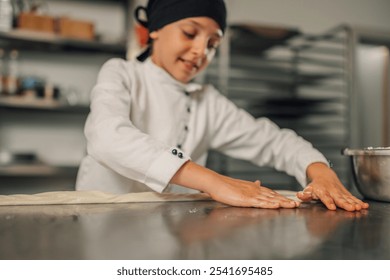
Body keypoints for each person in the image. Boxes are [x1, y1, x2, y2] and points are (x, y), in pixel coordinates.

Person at [75, 0, 369, 212]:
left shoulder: (207, 101)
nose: (201, 51)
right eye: (190, 33)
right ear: (155, 29)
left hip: (170, 229)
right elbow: (107, 137)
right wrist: (214, 182)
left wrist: (319, 171)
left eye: (212, 44)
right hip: (102, 221)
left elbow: (274, 141)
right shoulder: (121, 73)